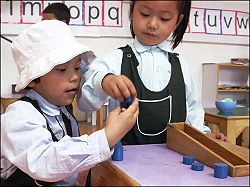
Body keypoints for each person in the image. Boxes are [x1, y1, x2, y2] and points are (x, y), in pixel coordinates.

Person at [1, 20, 139, 186]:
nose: (74, 77)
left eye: (76, 68)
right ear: (32, 79)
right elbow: (46, 163)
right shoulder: (20, 115)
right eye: (61, 70)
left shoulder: (63, 113)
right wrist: (106, 137)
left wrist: (106, 80)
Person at [77, 0, 226, 145]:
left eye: (164, 18)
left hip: (174, 161)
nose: (152, 24)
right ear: (131, 11)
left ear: (178, 21)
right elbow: (85, 102)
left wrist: (204, 136)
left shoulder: (180, 65)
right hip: (126, 161)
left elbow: (193, 110)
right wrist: (104, 81)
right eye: (145, 14)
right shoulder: (117, 59)